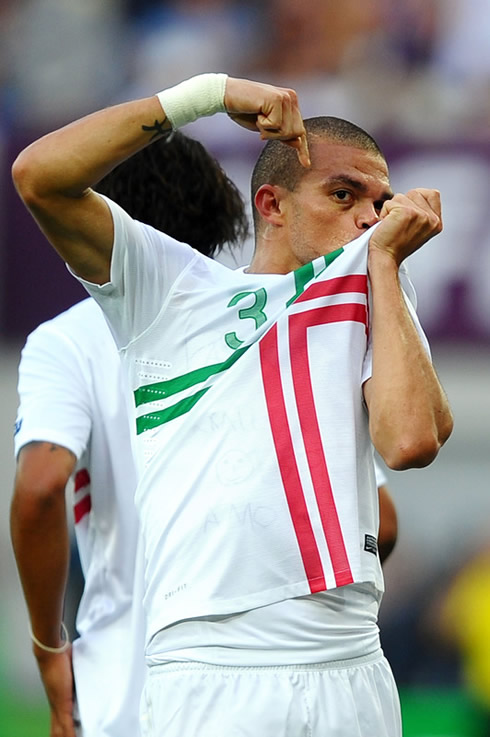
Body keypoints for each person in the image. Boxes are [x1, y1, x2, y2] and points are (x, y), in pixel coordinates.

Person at [11, 73, 453, 736]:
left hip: (353, 660)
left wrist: (386, 266)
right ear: (273, 205)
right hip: (213, 670)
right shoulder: (172, 292)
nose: (370, 216)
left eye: (381, 201)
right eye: (343, 193)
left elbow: (411, 440)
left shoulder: (370, 295)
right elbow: (38, 176)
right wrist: (206, 95)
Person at [10, 130, 249, 737]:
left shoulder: (68, 341)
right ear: (221, 220)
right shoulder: (265, 322)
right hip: (266, 689)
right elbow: (380, 519)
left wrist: (47, 645)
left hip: (127, 692)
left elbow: (40, 489)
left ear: (95, 222)